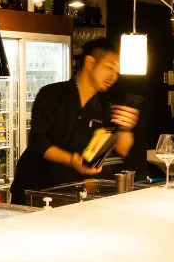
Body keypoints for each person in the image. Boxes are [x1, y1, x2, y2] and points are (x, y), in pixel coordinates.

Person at [10, 38, 140, 202]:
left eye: (117, 72)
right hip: (32, 189)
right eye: (109, 67)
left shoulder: (103, 107)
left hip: (67, 192)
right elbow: (39, 142)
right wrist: (72, 160)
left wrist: (125, 128)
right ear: (90, 63)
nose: (114, 77)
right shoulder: (51, 94)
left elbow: (121, 149)